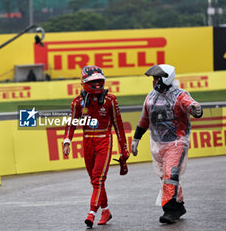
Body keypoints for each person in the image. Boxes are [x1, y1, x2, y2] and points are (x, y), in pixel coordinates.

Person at [131, 64, 203, 224]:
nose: (154, 81)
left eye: (157, 78)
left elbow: (190, 104)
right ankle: (179, 205)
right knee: (165, 177)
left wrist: (195, 109)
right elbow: (144, 119)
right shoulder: (150, 97)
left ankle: (169, 211)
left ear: (166, 78)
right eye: (153, 78)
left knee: (171, 175)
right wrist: (136, 138)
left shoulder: (179, 95)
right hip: (157, 143)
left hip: (177, 142)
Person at [62, 65, 130, 228]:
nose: (98, 84)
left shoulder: (110, 100)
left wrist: (124, 147)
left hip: (104, 141)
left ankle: (91, 213)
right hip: (87, 142)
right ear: (84, 83)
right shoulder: (78, 102)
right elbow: (71, 123)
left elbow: (118, 125)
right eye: (93, 82)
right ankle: (105, 210)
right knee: (95, 180)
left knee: (98, 178)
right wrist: (66, 141)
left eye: (100, 81)